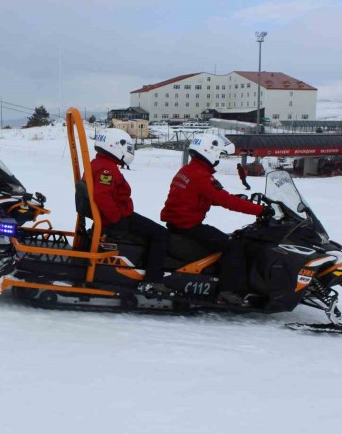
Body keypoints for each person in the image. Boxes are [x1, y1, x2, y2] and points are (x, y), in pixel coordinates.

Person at [160, 134, 270, 305]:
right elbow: (225, 200)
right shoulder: (201, 175)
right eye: (219, 154)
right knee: (233, 246)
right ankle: (228, 291)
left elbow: (203, 196)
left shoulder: (188, 170)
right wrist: (261, 210)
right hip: (188, 226)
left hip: (179, 223)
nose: (219, 158)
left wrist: (237, 198)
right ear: (209, 152)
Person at [91, 129, 171, 295]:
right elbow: (102, 196)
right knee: (161, 235)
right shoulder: (107, 169)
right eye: (126, 147)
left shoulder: (100, 164)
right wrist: (117, 220)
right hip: (116, 218)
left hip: (114, 216)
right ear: (114, 146)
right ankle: (152, 280)